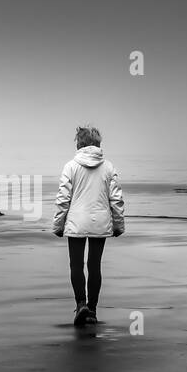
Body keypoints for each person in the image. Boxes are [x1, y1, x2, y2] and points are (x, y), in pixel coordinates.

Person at [52, 125, 125, 326]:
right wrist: (119, 225)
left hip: (76, 222)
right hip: (100, 222)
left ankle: (81, 304)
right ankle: (92, 310)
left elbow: (62, 199)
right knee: (94, 266)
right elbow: (116, 199)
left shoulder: (70, 166)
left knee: (76, 265)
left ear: (79, 143)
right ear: (98, 143)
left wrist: (58, 225)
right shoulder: (108, 167)